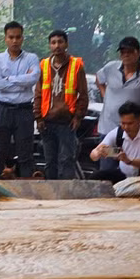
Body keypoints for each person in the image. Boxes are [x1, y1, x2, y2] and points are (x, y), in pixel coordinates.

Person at [33, 29, 88, 181]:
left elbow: (83, 95)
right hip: (47, 121)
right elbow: (38, 94)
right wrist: (38, 118)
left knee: (66, 160)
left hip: (66, 122)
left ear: (66, 44)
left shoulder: (76, 65)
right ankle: (52, 196)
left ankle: (66, 196)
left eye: (60, 42)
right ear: (50, 45)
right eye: (53, 42)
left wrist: (78, 117)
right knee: (50, 161)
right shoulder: (44, 65)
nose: (57, 45)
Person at [0, 21, 39, 181]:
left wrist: (8, 79)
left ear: (22, 38)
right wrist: (21, 81)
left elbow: (33, 79)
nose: (15, 41)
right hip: (2, 109)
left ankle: (27, 195)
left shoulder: (32, 58)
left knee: (25, 154)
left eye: (18, 37)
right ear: (5, 39)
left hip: (24, 110)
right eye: (11, 37)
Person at [96, 36, 140, 137]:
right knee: (108, 153)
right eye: (123, 52)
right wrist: (104, 95)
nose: (126, 55)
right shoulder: (111, 67)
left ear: (139, 53)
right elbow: (99, 78)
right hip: (108, 127)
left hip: (132, 129)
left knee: (130, 153)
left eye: (130, 52)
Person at [89, 101, 140, 178]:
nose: (126, 127)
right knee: (96, 176)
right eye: (123, 123)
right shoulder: (118, 133)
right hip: (123, 175)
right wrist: (99, 152)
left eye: (130, 124)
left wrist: (128, 161)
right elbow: (93, 154)